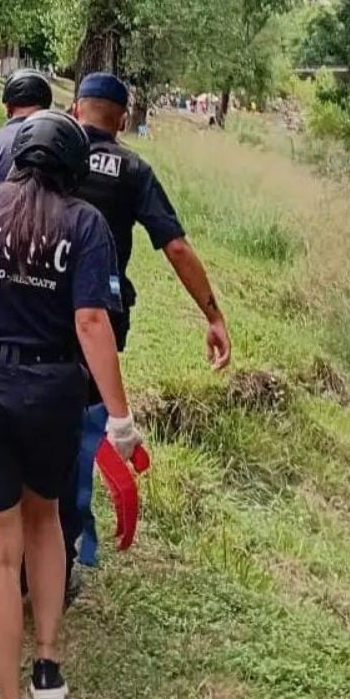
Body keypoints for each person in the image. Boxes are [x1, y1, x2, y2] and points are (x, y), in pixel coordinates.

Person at [0, 110, 141, 699]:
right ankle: (48, 665)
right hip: (52, 393)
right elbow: (91, 321)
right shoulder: (86, 222)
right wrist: (118, 417)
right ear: (72, 169)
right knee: (45, 521)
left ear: (18, 158)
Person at [64, 72, 230, 575]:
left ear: (76, 110)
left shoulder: (49, 152)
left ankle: (42, 530)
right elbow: (175, 246)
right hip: (101, 313)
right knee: (85, 422)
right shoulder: (134, 170)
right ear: (120, 120)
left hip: (36, 302)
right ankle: (74, 541)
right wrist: (213, 314)